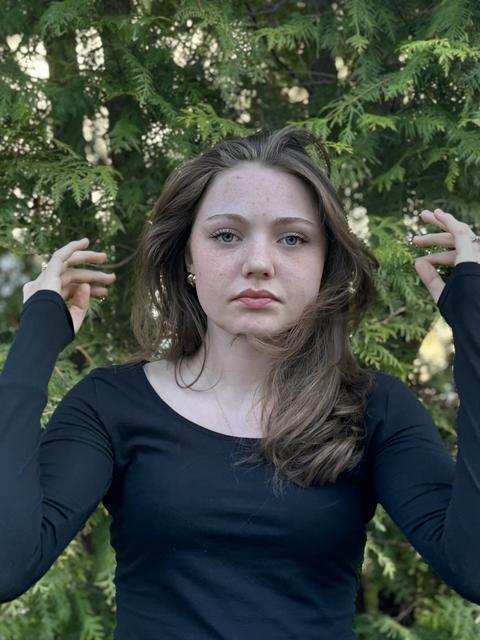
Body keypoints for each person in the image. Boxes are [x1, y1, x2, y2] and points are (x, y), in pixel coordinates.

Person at [1, 125, 479, 640]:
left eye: (292, 238)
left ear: (325, 261)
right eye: (226, 235)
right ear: (188, 255)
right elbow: (7, 565)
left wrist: (474, 320)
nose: (258, 264)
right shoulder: (109, 405)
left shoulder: (374, 410)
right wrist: (36, 339)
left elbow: (473, 567)